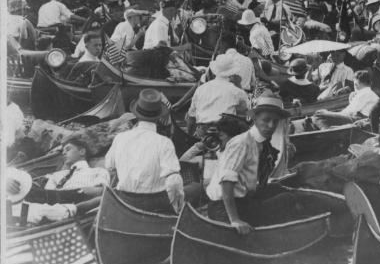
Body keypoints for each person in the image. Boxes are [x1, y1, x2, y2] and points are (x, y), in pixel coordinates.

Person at [206, 93, 299, 232]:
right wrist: (235, 220)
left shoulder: (263, 144)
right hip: (222, 209)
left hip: (242, 201)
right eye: (266, 120)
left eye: (275, 121)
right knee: (288, 201)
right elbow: (226, 182)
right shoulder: (242, 143)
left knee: (283, 192)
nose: (271, 126)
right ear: (255, 119)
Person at [105, 89, 185, 214]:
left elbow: (109, 166)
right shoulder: (164, 142)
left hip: (124, 200)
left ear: (136, 115)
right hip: (154, 203)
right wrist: (177, 206)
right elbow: (174, 180)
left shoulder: (120, 138)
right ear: (158, 118)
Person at [186, 54, 250, 135]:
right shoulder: (237, 91)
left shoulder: (201, 89)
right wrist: (239, 85)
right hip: (224, 133)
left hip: (203, 131)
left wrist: (189, 136)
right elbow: (248, 111)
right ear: (233, 73)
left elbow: (191, 118)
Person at [314, 69, 379, 125]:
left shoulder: (364, 93)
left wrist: (329, 113)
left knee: (320, 114)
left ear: (357, 84)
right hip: (361, 118)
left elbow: (349, 111)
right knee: (323, 114)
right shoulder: (368, 92)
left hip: (360, 119)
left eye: (354, 84)